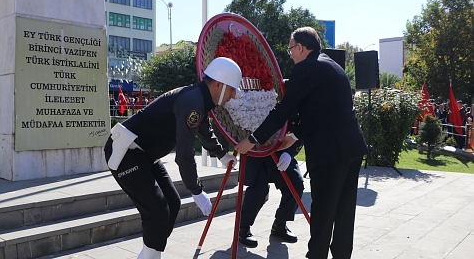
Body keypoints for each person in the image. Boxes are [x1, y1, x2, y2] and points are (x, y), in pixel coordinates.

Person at [235, 27, 367, 259]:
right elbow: (323, 111)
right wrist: (294, 137)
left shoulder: (305, 68)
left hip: (330, 153)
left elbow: (282, 110)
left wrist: (253, 139)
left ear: (301, 48)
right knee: (344, 213)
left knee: (323, 213)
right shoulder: (331, 66)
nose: (291, 55)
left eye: (291, 49)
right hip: (352, 148)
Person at [104, 57, 242, 259]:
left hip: (144, 154)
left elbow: (204, 130)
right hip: (125, 152)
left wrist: (221, 155)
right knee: (157, 210)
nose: (234, 94)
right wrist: (196, 190)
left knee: (172, 203)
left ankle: (149, 254)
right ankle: (151, 256)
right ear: (219, 85)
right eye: (232, 88)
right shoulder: (193, 102)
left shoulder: (200, 99)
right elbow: (184, 155)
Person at [238, 95, 304, 248]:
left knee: (296, 185)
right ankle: (243, 228)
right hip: (256, 146)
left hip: (281, 148)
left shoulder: (299, 98)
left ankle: (279, 225)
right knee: (258, 189)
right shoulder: (265, 94)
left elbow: (301, 127)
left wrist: (291, 152)